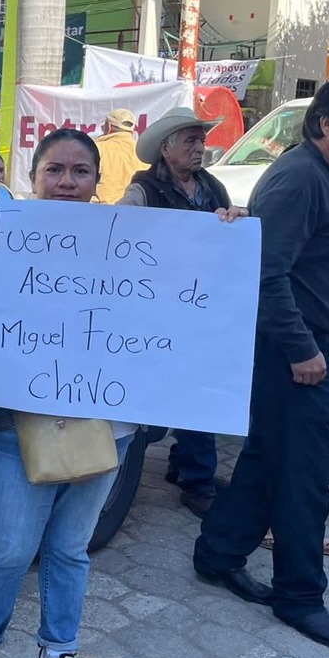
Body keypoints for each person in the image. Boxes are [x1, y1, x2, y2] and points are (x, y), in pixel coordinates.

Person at [194, 73, 329, 654]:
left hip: (317, 346)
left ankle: (219, 554)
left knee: (267, 459)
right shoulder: (301, 176)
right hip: (295, 355)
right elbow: (266, 275)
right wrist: (304, 349)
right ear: (327, 123)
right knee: (306, 479)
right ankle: (300, 596)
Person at [0, 129, 136, 658]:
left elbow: (179, 298)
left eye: (80, 171)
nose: (67, 181)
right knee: (7, 546)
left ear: (98, 180)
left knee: (72, 548)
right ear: (34, 176)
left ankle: (58, 652)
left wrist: (224, 234)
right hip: (17, 426)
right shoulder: (3, 242)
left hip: (105, 424)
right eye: (55, 170)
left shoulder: (133, 240)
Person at [118, 106, 247, 518]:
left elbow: (231, 239)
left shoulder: (211, 186)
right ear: (165, 148)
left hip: (201, 307)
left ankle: (191, 472)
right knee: (178, 391)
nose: (200, 147)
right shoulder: (143, 190)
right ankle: (192, 477)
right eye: (190, 140)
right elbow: (122, 234)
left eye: (201, 139)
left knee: (198, 389)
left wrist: (235, 220)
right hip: (158, 309)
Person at [93, 108, 146, 204]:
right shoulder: (143, 152)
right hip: (133, 212)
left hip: (99, 212)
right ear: (132, 131)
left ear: (108, 127)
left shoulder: (95, 149)